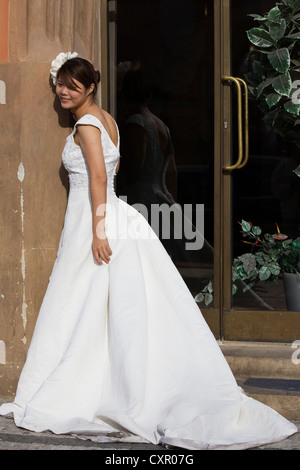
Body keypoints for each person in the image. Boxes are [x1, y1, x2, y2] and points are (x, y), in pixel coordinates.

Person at [0, 53, 297, 450]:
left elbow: (102, 177)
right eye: (60, 84)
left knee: (79, 301)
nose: (63, 91)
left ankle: (85, 387)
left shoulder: (88, 125)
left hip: (97, 222)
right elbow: (116, 165)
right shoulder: (108, 121)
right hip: (110, 219)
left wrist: (99, 231)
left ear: (90, 87)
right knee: (100, 307)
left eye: (73, 85)